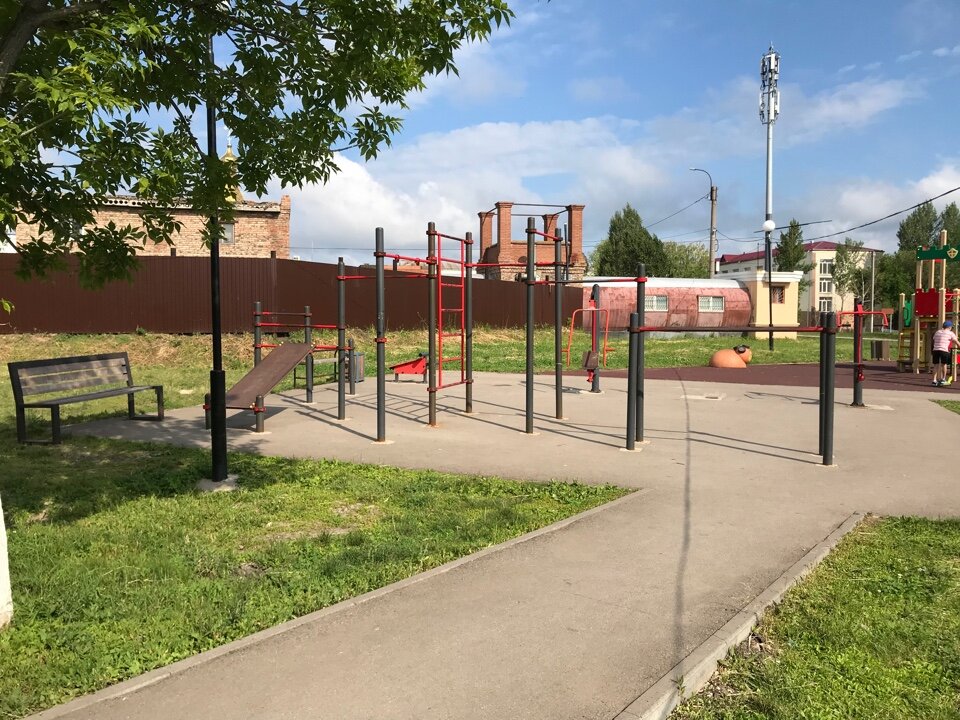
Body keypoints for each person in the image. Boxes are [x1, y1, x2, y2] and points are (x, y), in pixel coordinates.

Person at [931, 320, 960, 386]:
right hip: (944, 350)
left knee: (935, 365)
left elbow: (934, 340)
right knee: (944, 364)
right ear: (949, 327)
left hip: (936, 350)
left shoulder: (937, 332)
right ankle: (943, 379)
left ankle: (934, 381)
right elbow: (956, 342)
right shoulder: (950, 333)